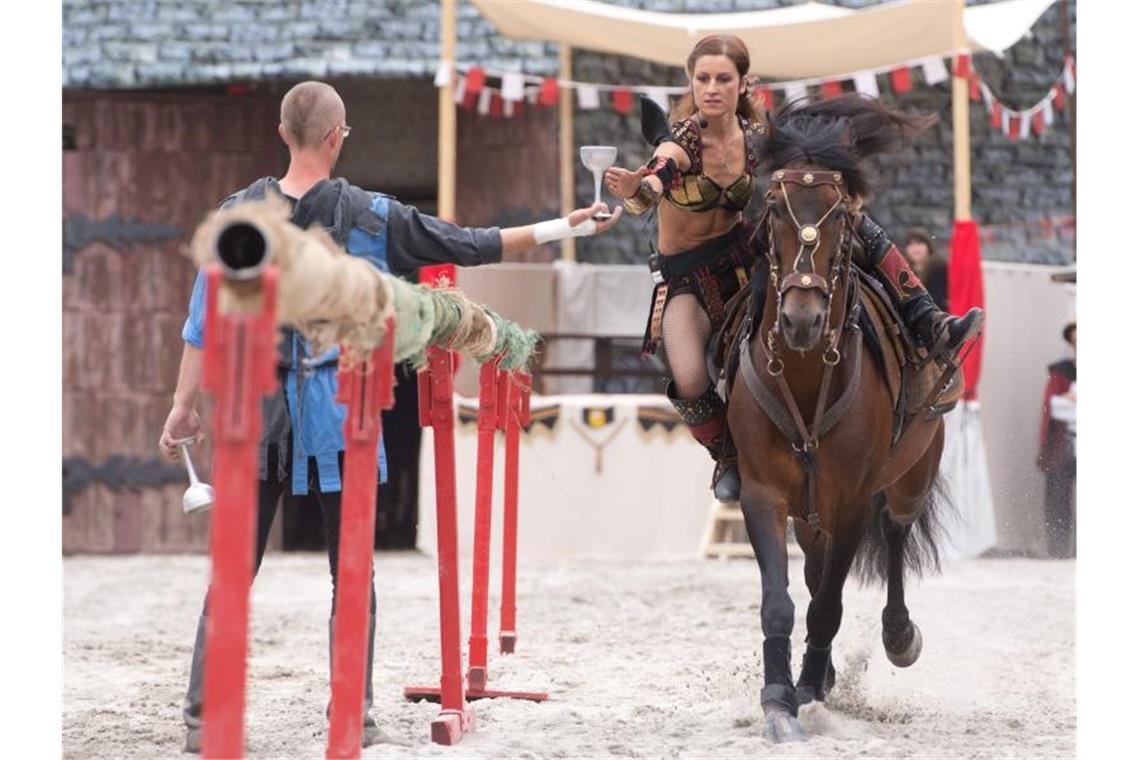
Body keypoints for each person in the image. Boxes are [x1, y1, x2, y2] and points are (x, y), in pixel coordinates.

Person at [158, 81, 620, 754]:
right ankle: (355, 712)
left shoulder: (237, 216)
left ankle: (205, 721)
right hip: (345, 412)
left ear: (283, 134)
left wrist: (181, 407)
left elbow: (201, 327)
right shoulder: (374, 216)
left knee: (235, 567)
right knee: (352, 573)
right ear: (336, 136)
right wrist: (565, 225)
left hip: (253, 415)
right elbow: (470, 243)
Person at [603, 35, 982, 504]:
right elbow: (657, 178)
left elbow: (807, 174)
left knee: (843, 223)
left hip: (750, 259)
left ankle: (926, 317)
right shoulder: (682, 140)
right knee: (687, 375)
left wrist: (839, 187)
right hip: (690, 283)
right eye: (703, 79)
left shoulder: (759, 142)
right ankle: (729, 456)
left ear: (744, 84)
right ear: (691, 83)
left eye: (723, 78)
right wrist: (635, 187)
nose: (712, 88)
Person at [1037, 321, 1076, 558]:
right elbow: (1053, 407)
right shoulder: (1061, 371)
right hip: (1064, 443)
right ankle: (1058, 549)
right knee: (1058, 497)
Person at [902, 227, 948, 311]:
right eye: (910, 244)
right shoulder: (903, 273)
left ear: (928, 246)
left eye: (919, 243)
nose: (915, 248)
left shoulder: (940, 268)